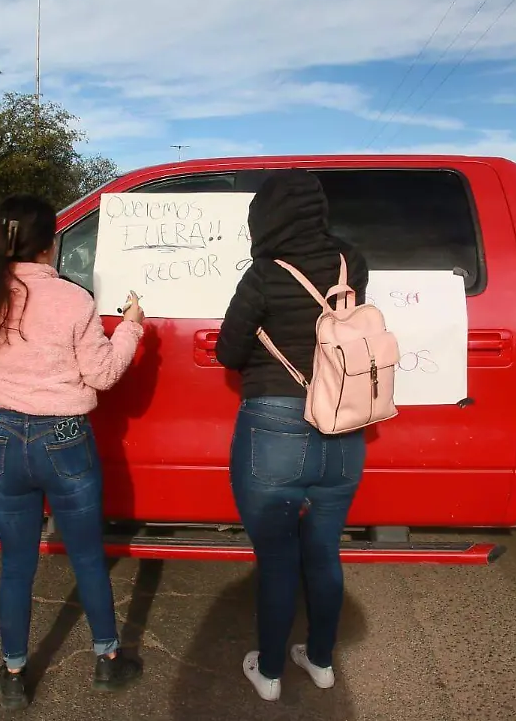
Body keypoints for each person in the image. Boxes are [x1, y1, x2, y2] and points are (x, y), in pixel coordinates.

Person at [0, 194, 145, 711]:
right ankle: (107, 661)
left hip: (4, 439)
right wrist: (131, 326)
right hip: (65, 439)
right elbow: (103, 374)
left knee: (16, 564)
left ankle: (14, 671)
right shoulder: (73, 300)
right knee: (86, 556)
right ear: (50, 243)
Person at [214, 170, 370, 702]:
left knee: (278, 560)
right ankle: (322, 661)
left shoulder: (263, 274)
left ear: (268, 215)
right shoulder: (352, 262)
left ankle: (271, 672)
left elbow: (229, 352)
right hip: (343, 423)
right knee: (324, 553)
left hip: (274, 426)